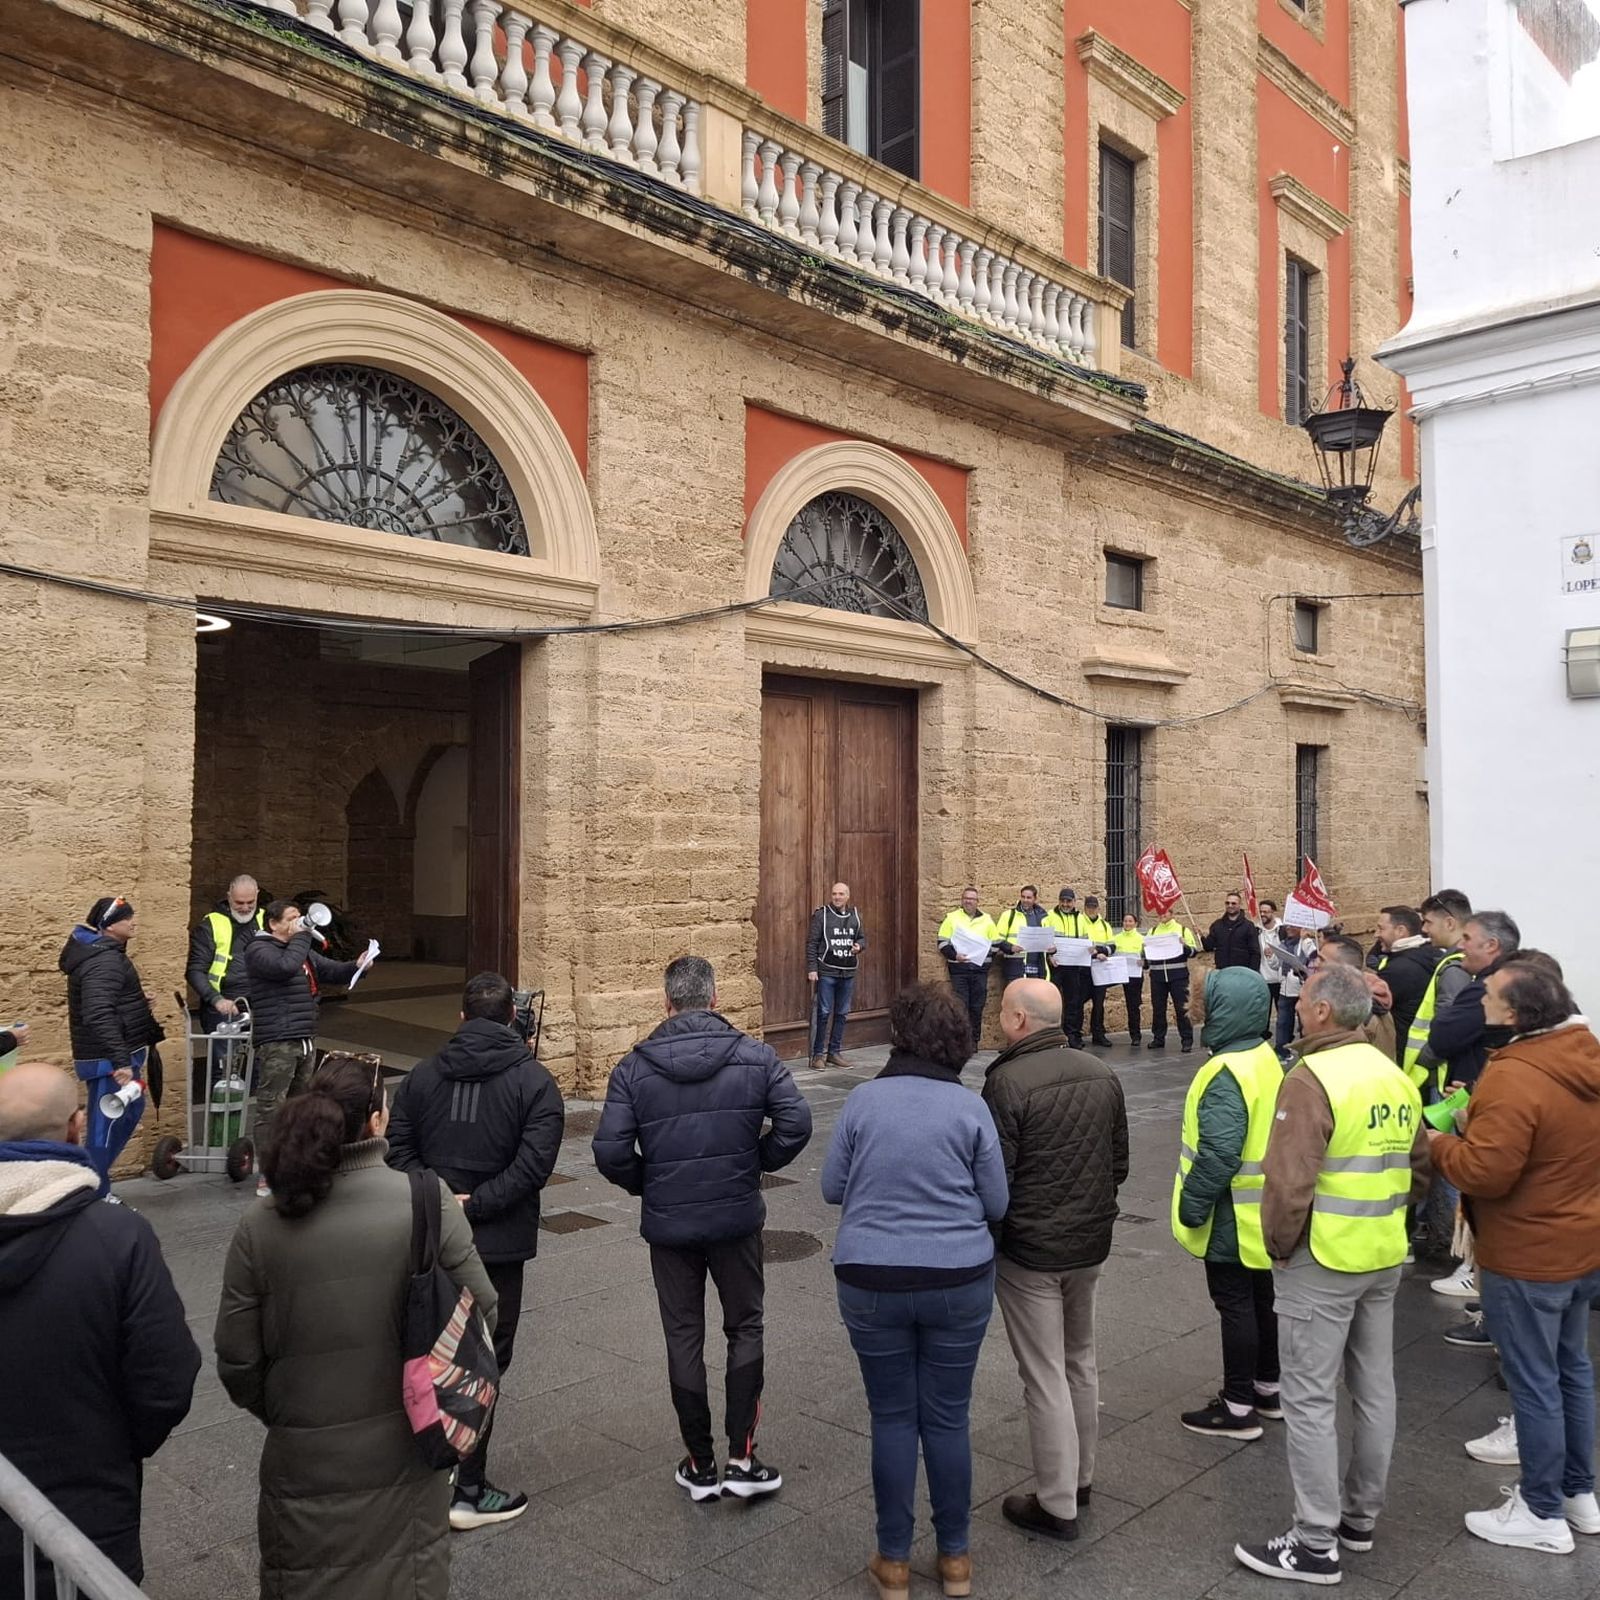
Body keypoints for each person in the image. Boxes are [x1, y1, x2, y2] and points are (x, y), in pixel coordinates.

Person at [215, 1052, 494, 1600]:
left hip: (302, 1463)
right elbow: (481, 1314)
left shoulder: (260, 1224)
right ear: (376, 1120)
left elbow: (237, 1360)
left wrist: (291, 1412)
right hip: (406, 1453)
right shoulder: (425, 1201)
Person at [1232, 964, 1430, 1585]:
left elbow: (1288, 1181)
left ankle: (1315, 1542)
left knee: (1310, 1399)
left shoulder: (1311, 1077)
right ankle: (1358, 1519)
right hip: (1382, 1251)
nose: (1294, 1008)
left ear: (1322, 1011)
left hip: (1322, 1258)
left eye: (1303, 1001)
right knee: (1374, 1388)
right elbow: (1421, 1168)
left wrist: (1278, 1247)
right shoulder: (1392, 1075)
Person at [593, 956, 812, 1500]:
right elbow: (796, 1123)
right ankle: (742, 1457)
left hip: (671, 1224)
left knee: (683, 1333)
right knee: (746, 1325)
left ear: (666, 1003)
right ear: (715, 999)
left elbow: (610, 1151)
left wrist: (650, 1183)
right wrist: (754, 1163)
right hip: (735, 1218)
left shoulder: (633, 1068)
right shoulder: (755, 1056)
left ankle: (700, 1463)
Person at [821, 982, 1007, 1600]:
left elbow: (831, 1187)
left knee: (893, 1417)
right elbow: (997, 1202)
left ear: (900, 1036)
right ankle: (955, 1559)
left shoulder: (863, 1101)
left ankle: (894, 1561)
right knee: (949, 1418)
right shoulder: (969, 1108)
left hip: (871, 1276)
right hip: (958, 1278)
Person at [0, 1063, 199, 1592]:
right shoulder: (119, 1235)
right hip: (88, 1515)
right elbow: (166, 1380)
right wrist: (113, 1448)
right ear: (75, 1127)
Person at [1425, 960, 1600, 1553]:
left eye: (1490, 996)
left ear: (1518, 1012)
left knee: (1535, 1383)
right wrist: (1480, 1120)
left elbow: (1484, 1173)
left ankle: (1541, 1512)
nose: (1481, 1002)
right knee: (1571, 1371)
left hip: (1526, 1253)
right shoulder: (1582, 1055)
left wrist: (1440, 1143)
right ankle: (1577, 1494)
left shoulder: (1515, 1073)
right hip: (1578, 1245)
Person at [387, 972, 564, 1531]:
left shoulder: (420, 1077)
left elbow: (397, 1150)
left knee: (420, 1350)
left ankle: (422, 1476)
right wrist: (476, 1204)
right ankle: (467, 1486)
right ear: (513, 1017)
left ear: (461, 1017)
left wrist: (440, 1201)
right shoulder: (536, 1083)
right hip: (498, 1245)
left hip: (428, 1239)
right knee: (485, 1358)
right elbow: (533, 1166)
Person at [983, 979, 1127, 1543]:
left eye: (1002, 1011)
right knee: (1079, 1360)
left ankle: (1057, 1502)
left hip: (1031, 1251)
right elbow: (1118, 1163)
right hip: (1089, 1242)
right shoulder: (1101, 1072)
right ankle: (1080, 1477)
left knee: (1044, 1374)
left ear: (1019, 1019)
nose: (999, 1019)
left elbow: (996, 1179)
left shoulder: (1007, 1081)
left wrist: (996, 1237)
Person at [1174, 968, 1285, 1441]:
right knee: (1262, 1299)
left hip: (1231, 1213)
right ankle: (1267, 1389)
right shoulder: (1264, 1056)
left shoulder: (1225, 1072)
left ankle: (1237, 1407)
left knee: (1235, 1304)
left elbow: (1220, 1152)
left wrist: (1192, 1204)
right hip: (1262, 1208)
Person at [1425, 910, 1521, 1299]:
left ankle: (1475, 1270)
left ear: (1492, 945)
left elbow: (1442, 1035)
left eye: (1468, 938)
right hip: (1480, 1091)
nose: (1460, 945)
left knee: (1475, 1184)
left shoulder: (1490, 984)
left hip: (1486, 1103)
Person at [243, 899, 371, 1164]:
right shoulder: (259, 949)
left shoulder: (299, 949)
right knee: (271, 1106)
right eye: (291, 918)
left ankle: (294, 1160)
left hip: (304, 1037)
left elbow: (330, 970)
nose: (299, 922)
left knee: (300, 1104)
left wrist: (357, 966)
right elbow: (284, 967)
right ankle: (269, 1167)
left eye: (299, 916)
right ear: (273, 924)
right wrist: (302, 936)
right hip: (278, 1039)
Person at [58, 895, 165, 1176]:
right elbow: (98, 1013)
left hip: (117, 1055)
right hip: (109, 1060)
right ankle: (93, 1189)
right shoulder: (104, 960)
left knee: (127, 1112)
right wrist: (120, 1061)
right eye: (126, 918)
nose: (133, 922)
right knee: (104, 1130)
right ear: (109, 925)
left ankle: (94, 1183)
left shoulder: (107, 955)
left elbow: (109, 1002)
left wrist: (139, 1002)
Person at [1407, 889, 1474, 1091]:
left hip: (1441, 1078)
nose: (1424, 929)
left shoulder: (1454, 970)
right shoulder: (1459, 963)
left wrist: (1424, 1058)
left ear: (1450, 923)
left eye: (1428, 922)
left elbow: (1451, 1029)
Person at [186, 873, 264, 1032]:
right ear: (229, 897)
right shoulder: (210, 925)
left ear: (257, 895)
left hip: (261, 1003)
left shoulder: (267, 919)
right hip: (222, 1004)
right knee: (223, 1048)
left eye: (250, 902)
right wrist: (216, 999)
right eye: (239, 903)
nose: (245, 908)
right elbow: (195, 970)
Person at [806, 881, 866, 1071]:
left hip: (848, 971)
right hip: (827, 971)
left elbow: (861, 937)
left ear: (848, 896)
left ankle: (834, 1052)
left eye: (841, 894)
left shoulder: (855, 915)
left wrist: (859, 946)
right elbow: (812, 943)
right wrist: (812, 969)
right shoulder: (821, 915)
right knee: (823, 1013)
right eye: (834, 894)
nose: (837, 897)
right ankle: (817, 1055)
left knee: (842, 1013)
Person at [1374, 906, 1441, 1063]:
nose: (1376, 934)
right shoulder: (1431, 954)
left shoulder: (1399, 969)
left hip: (1407, 1055)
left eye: (1381, 929)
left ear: (1400, 931)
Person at [937, 888, 999, 1049]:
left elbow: (996, 943)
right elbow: (942, 942)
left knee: (977, 1007)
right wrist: (954, 955)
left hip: (979, 970)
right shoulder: (952, 918)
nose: (968, 901)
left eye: (972, 899)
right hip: (959, 970)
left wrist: (984, 956)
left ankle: (974, 1041)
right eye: (965, 898)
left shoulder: (987, 920)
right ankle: (961, 1042)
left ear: (977, 902)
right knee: (960, 1006)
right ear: (961, 900)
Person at [1321, 935, 1398, 1062]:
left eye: (1322, 960)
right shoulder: (1331, 999)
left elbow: (1383, 1062)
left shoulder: (1369, 1014)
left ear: (1344, 969)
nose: (1315, 964)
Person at [1043, 889, 1093, 1049]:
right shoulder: (1049, 917)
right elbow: (1044, 941)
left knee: (1073, 1002)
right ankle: (1052, 1037)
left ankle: (1072, 1035)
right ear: (1059, 901)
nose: (1065, 904)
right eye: (1063, 901)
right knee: (1052, 1001)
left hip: (1074, 967)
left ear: (1074, 902)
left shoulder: (1081, 919)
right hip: (1055, 966)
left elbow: (1086, 940)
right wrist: (1049, 956)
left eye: (1068, 901)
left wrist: (1090, 949)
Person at [1145, 913, 1199, 1053]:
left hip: (1178, 976)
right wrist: (1143, 952)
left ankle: (1186, 1040)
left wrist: (1184, 946)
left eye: (1165, 911)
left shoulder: (1182, 930)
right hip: (1157, 977)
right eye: (1160, 912)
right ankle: (1158, 1038)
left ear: (1172, 913)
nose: (1162, 914)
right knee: (1158, 1009)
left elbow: (1194, 952)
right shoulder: (1153, 931)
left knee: (1182, 1009)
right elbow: (1146, 954)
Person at [1272, 922, 1318, 1055]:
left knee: (1304, 1023)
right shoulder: (1283, 944)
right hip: (1285, 989)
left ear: (1301, 928)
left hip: (1302, 989)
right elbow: (1276, 965)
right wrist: (1270, 957)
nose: (1288, 928)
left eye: (1292, 926)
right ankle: (1281, 1051)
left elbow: (1314, 959)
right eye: (1287, 926)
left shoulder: (1307, 943)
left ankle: (1307, 1051)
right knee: (1283, 1023)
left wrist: (1305, 940)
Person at [996, 886, 1049, 988]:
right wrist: (1010, 947)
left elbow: (1048, 941)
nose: (1025, 900)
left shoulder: (1044, 917)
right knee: (1015, 997)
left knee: (1035, 997)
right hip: (1014, 966)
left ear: (1035, 899)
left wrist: (1051, 950)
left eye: (1029, 898)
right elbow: (997, 939)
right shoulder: (1008, 915)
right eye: (1023, 897)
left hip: (1037, 968)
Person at [1204, 892, 1262, 973]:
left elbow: (1255, 953)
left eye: (1233, 903)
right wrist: (1202, 937)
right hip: (1222, 972)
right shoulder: (1217, 925)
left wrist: (1252, 973)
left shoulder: (1248, 926)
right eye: (1227, 903)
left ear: (1240, 905)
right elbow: (1208, 947)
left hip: (1242, 972)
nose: (1230, 905)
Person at [1113, 914, 1146, 1044]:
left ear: (1135, 923)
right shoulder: (1116, 938)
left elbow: (1147, 958)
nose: (1127, 923)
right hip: (1118, 973)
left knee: (1133, 1006)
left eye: (1130, 921)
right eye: (1125, 921)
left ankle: (1135, 1035)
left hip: (1134, 975)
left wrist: (1144, 962)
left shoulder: (1142, 939)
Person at [1259, 899, 1284, 1020]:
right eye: (1261, 912)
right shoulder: (1256, 930)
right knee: (1263, 1016)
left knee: (1283, 1016)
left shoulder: (1282, 930)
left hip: (1281, 980)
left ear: (1273, 912)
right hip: (1263, 979)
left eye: (1266, 912)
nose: (1262, 914)